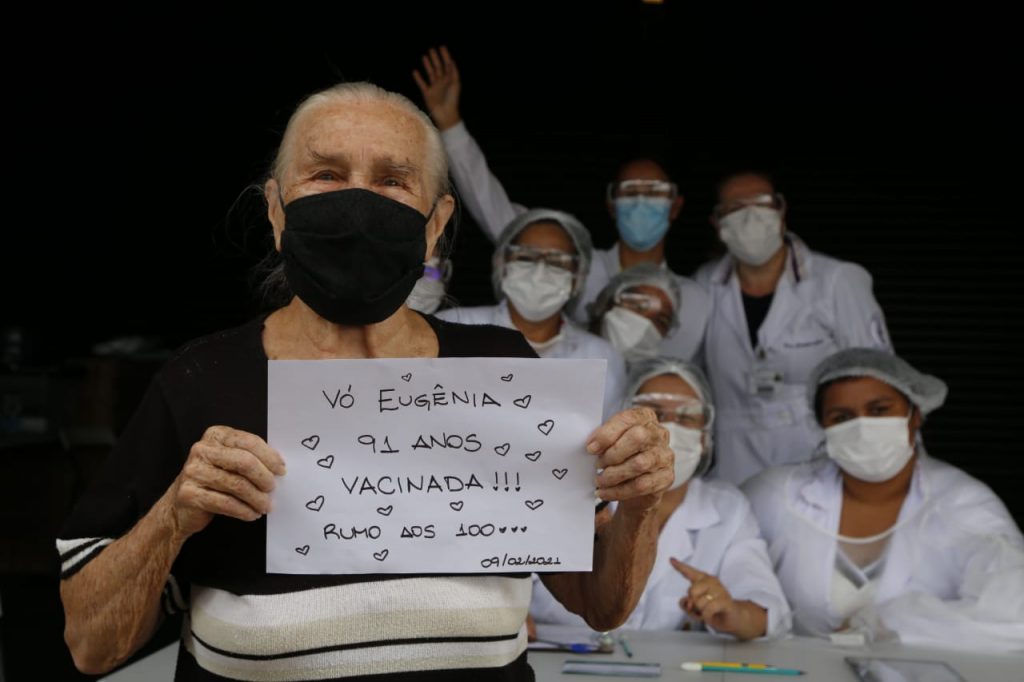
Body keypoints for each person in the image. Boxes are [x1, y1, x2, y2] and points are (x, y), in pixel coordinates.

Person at [56, 82, 677, 681]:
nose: (358, 204)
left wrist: (642, 503)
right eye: (326, 174)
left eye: (392, 180)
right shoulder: (199, 380)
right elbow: (91, 647)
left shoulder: (502, 370)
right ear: (276, 211)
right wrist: (173, 517)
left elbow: (600, 604)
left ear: (435, 225)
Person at [413, 46, 710, 361]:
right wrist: (451, 126)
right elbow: (497, 212)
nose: (641, 202)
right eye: (629, 192)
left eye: (654, 192)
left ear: (676, 205)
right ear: (611, 203)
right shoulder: (574, 262)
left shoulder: (696, 299)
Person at [743, 348, 1024, 652]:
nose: (862, 427)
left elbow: (1016, 612)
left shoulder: (962, 504)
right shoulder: (775, 495)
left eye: (879, 410)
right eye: (842, 417)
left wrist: (886, 624)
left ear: (914, 415)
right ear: (823, 427)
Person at [531, 358, 790, 639]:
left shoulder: (727, 508)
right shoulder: (571, 487)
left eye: (688, 417)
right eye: (655, 415)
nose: (668, 431)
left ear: (705, 439)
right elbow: (513, 575)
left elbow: (767, 609)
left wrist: (731, 612)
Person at [695, 171, 893, 486]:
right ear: (717, 223)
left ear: (781, 212)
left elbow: (882, 379)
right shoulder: (704, 285)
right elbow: (688, 378)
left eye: (761, 203)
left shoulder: (837, 281)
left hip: (821, 464)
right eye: (735, 208)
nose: (750, 216)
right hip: (733, 469)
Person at [436, 208, 626, 419]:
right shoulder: (453, 326)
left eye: (557, 261)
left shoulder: (601, 357)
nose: (540, 270)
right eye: (525, 257)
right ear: (503, 264)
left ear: (577, 277)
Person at [586, 263, 679, 365]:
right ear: (608, 300)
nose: (645, 324)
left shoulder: (646, 379)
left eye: (661, 321)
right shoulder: (567, 349)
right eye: (638, 306)